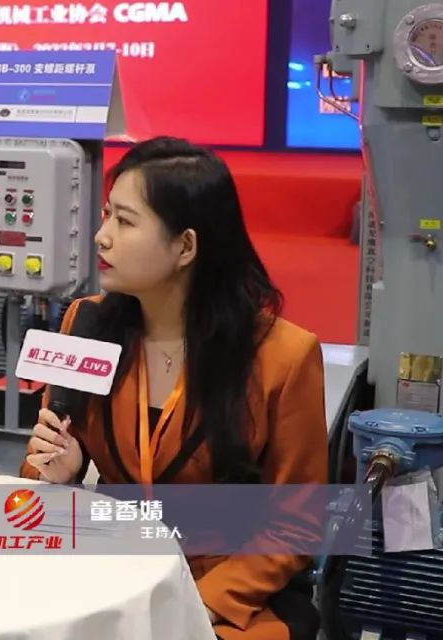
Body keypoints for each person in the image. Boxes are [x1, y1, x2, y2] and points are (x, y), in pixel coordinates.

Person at [21, 137, 326, 640]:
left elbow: (296, 524)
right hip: (111, 570)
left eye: (125, 221)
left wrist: (192, 605)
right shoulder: (86, 323)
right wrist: (62, 472)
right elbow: (38, 472)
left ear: (185, 246)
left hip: (226, 591)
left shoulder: (285, 356)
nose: (101, 237)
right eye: (106, 216)